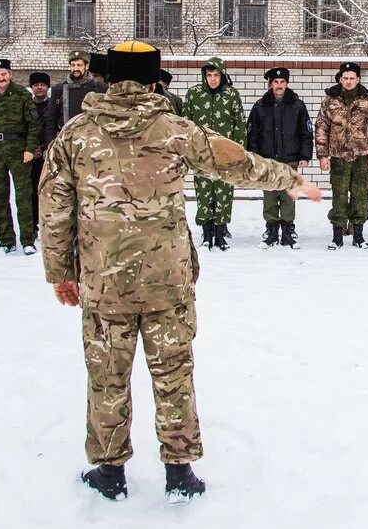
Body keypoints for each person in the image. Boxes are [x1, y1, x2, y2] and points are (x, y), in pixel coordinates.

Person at [39, 41, 322, 505]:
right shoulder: (175, 129)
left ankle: (110, 472)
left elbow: (53, 207)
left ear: (108, 79)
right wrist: (290, 180)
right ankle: (180, 472)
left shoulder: (75, 134)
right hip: (166, 281)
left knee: (107, 375)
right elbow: (236, 163)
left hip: (103, 281)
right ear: (153, 81)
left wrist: (60, 273)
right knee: (173, 372)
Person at [316, 62, 368, 250]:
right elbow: (321, 128)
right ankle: (337, 236)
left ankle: (358, 235)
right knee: (339, 196)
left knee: (360, 196)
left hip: (362, 156)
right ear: (340, 79)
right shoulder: (330, 101)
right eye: (345, 78)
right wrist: (322, 155)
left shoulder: (367, 101)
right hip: (338, 157)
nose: (348, 81)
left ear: (358, 79)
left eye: (352, 78)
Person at [183, 57, 246, 250]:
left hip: (225, 156)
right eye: (209, 75)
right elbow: (186, 124)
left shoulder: (231, 95)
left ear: (222, 75)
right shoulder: (194, 94)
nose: (212, 79)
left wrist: (238, 153)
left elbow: (240, 125)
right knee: (204, 195)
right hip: (201, 155)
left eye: (216, 75)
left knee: (224, 194)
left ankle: (220, 235)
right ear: (204, 76)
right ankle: (207, 234)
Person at [246, 67, 312, 249]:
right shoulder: (260, 106)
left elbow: (306, 132)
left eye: (282, 82)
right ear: (270, 84)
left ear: (287, 84)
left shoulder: (297, 105)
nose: (279, 85)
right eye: (275, 82)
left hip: (290, 159)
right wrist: (254, 158)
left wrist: (304, 156)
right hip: (267, 161)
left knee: (289, 197)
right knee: (269, 197)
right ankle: (272, 229)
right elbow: (252, 135)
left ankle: (288, 230)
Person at [0, 58, 42, 255]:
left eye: (4, 74)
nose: (0, 78)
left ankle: (27, 239)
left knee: (23, 196)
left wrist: (30, 149)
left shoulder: (22, 94)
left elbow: (34, 125)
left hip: (18, 150)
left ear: (10, 74)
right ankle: (6, 240)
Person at [45, 50, 108, 146]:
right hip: (66, 142)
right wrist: (49, 147)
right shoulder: (59, 89)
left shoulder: (100, 88)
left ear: (86, 66)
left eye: (79, 65)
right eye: (73, 65)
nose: (75, 68)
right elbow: (51, 121)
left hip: (92, 142)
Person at [29, 71, 53, 240]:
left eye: (42, 85)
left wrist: (44, 148)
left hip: (47, 155)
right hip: (30, 155)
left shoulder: (53, 106)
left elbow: (53, 128)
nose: (39, 87)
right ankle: (32, 225)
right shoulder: (26, 105)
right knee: (30, 192)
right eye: (36, 85)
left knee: (47, 191)